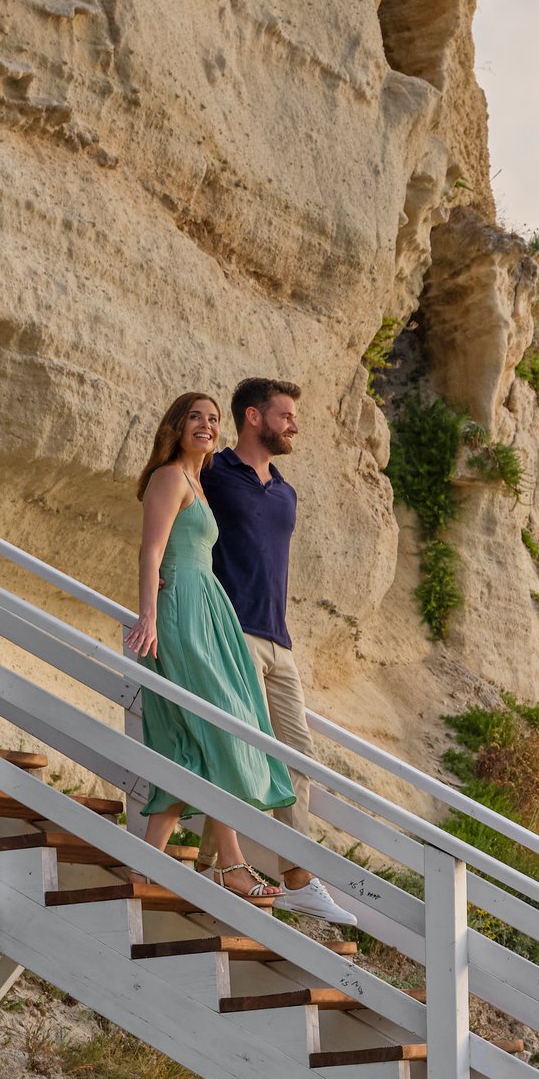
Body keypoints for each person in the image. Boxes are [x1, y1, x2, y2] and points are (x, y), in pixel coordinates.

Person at [202, 376, 357, 926]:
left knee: (296, 758)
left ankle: (218, 866)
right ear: (253, 417)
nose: (295, 425)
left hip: (279, 641)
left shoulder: (285, 491)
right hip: (233, 632)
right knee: (241, 751)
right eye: (286, 415)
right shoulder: (215, 473)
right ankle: (295, 877)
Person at [124, 393, 290, 896]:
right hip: (181, 610)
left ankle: (147, 864)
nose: (206, 425)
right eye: (195, 417)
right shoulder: (169, 478)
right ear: (176, 426)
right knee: (222, 724)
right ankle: (230, 865)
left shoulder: (198, 481)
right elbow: (150, 552)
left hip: (209, 609)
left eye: (213, 419)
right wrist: (149, 614)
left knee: (191, 740)